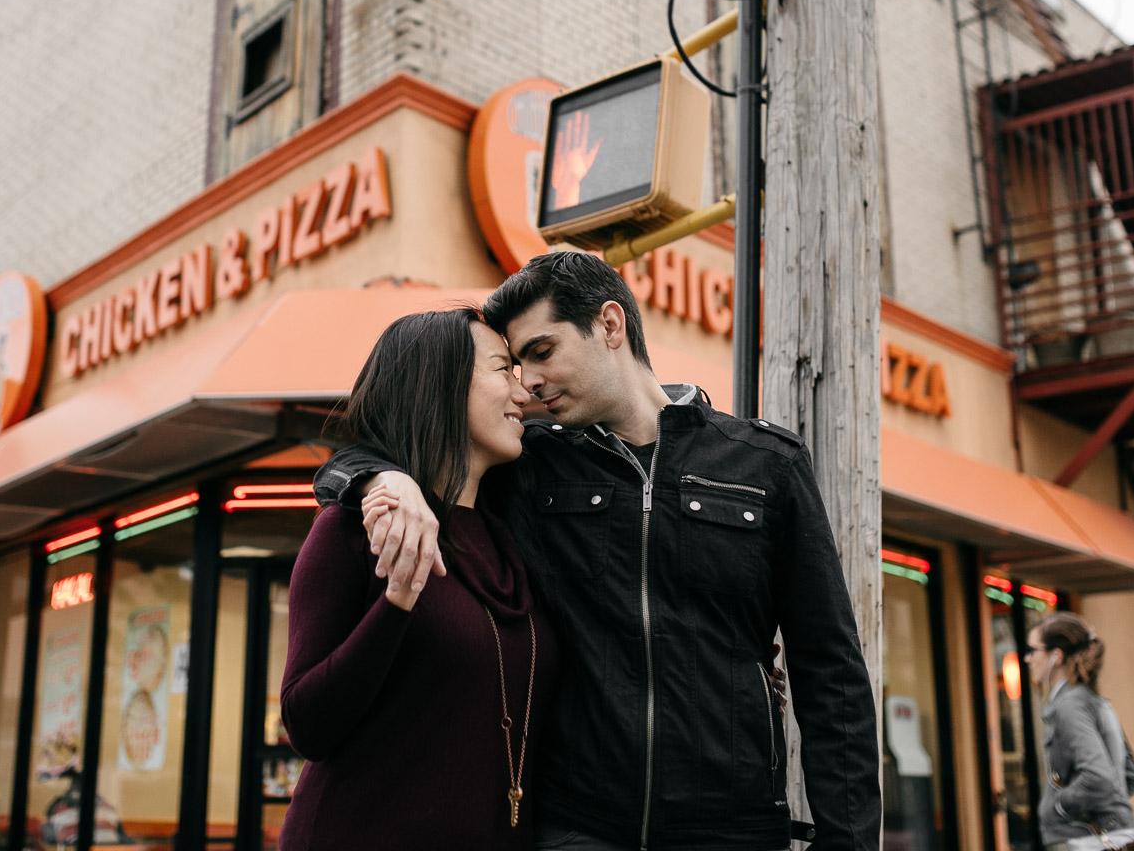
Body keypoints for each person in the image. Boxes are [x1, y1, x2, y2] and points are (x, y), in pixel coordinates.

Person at [316, 251, 878, 851]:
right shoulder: (530, 463)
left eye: (541, 352)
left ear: (610, 325)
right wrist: (382, 479)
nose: (527, 382)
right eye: (513, 363)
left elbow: (831, 673)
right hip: (577, 828)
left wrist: (848, 841)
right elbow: (381, 446)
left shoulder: (766, 465)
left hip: (729, 830)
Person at [278, 307, 560, 850]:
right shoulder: (355, 531)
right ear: (443, 384)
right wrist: (396, 603)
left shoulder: (515, 537)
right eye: (503, 369)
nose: (522, 393)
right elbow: (306, 724)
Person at [1027, 612, 1134, 851]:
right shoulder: (1095, 702)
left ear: (1056, 657)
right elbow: (1130, 777)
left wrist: (1059, 806)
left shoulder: (1068, 707)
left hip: (1090, 841)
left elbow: (1099, 778)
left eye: (1033, 650)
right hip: (1117, 835)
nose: (1028, 658)